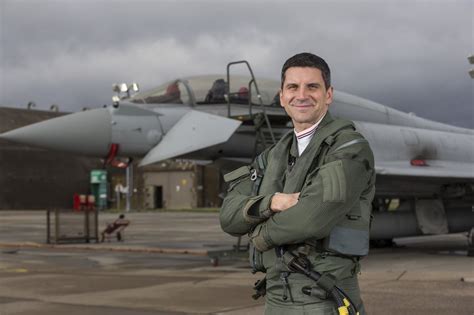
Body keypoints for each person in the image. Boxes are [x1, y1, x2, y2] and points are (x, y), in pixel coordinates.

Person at [220, 52, 375, 314]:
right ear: (282, 96)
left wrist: (258, 234)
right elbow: (228, 217)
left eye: (312, 86)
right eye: (293, 87)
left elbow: (311, 218)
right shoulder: (271, 156)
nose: (301, 95)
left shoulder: (348, 148)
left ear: (328, 94)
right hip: (276, 299)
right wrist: (271, 202)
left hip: (325, 299)